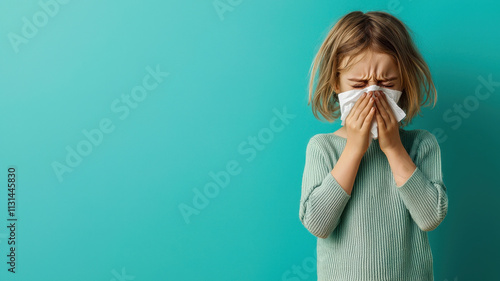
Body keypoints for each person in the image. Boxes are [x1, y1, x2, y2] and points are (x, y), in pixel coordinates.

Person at [299, 11, 449, 281]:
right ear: (336, 83)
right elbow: (318, 224)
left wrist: (393, 148)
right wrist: (355, 149)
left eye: (385, 83)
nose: (372, 93)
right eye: (358, 84)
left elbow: (430, 217)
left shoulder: (421, 144)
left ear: (402, 82)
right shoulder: (323, 147)